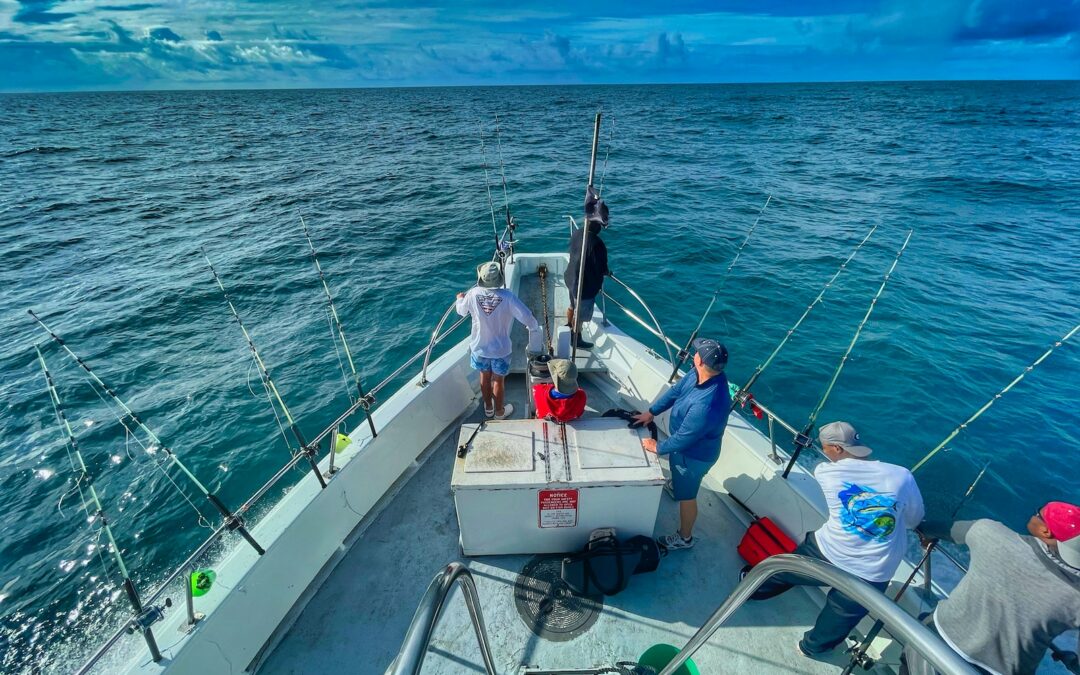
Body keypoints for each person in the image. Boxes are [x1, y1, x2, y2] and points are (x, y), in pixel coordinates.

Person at [750, 421, 925, 658]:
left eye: (826, 448)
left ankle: (754, 589)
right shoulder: (903, 475)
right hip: (874, 569)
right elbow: (914, 519)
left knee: (784, 569)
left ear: (837, 449)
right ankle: (811, 647)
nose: (825, 453)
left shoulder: (825, 472)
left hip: (828, 551)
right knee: (842, 615)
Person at [901, 500, 1080, 675]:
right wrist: (1072, 662)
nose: (1034, 515)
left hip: (930, 648)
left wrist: (925, 532)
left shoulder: (990, 533)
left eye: (1038, 513)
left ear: (1045, 531)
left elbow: (935, 529)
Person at [632, 338, 730, 551]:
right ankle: (676, 485)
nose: (693, 353)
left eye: (697, 352)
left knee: (687, 497)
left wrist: (657, 448)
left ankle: (684, 538)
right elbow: (675, 392)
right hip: (683, 450)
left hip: (693, 457)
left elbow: (685, 438)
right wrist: (651, 412)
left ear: (701, 362)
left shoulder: (708, 404)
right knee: (679, 480)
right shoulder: (697, 374)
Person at [456, 261, 540, 419]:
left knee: (484, 376)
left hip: (479, 347)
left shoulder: (473, 294)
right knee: (498, 381)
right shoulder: (507, 296)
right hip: (500, 349)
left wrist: (460, 299)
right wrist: (534, 327)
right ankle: (499, 412)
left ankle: (488, 408)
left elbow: (461, 311)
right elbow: (526, 316)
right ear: (500, 279)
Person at [564, 186, 609, 350]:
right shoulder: (597, 244)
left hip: (570, 279)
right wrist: (606, 272)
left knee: (571, 305)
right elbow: (601, 268)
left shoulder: (577, 233)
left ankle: (568, 324)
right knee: (581, 316)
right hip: (584, 287)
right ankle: (576, 337)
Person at [533, 358, 587, 423]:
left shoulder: (539, 391)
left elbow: (537, 389)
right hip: (570, 418)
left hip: (546, 420)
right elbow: (579, 413)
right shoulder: (581, 396)